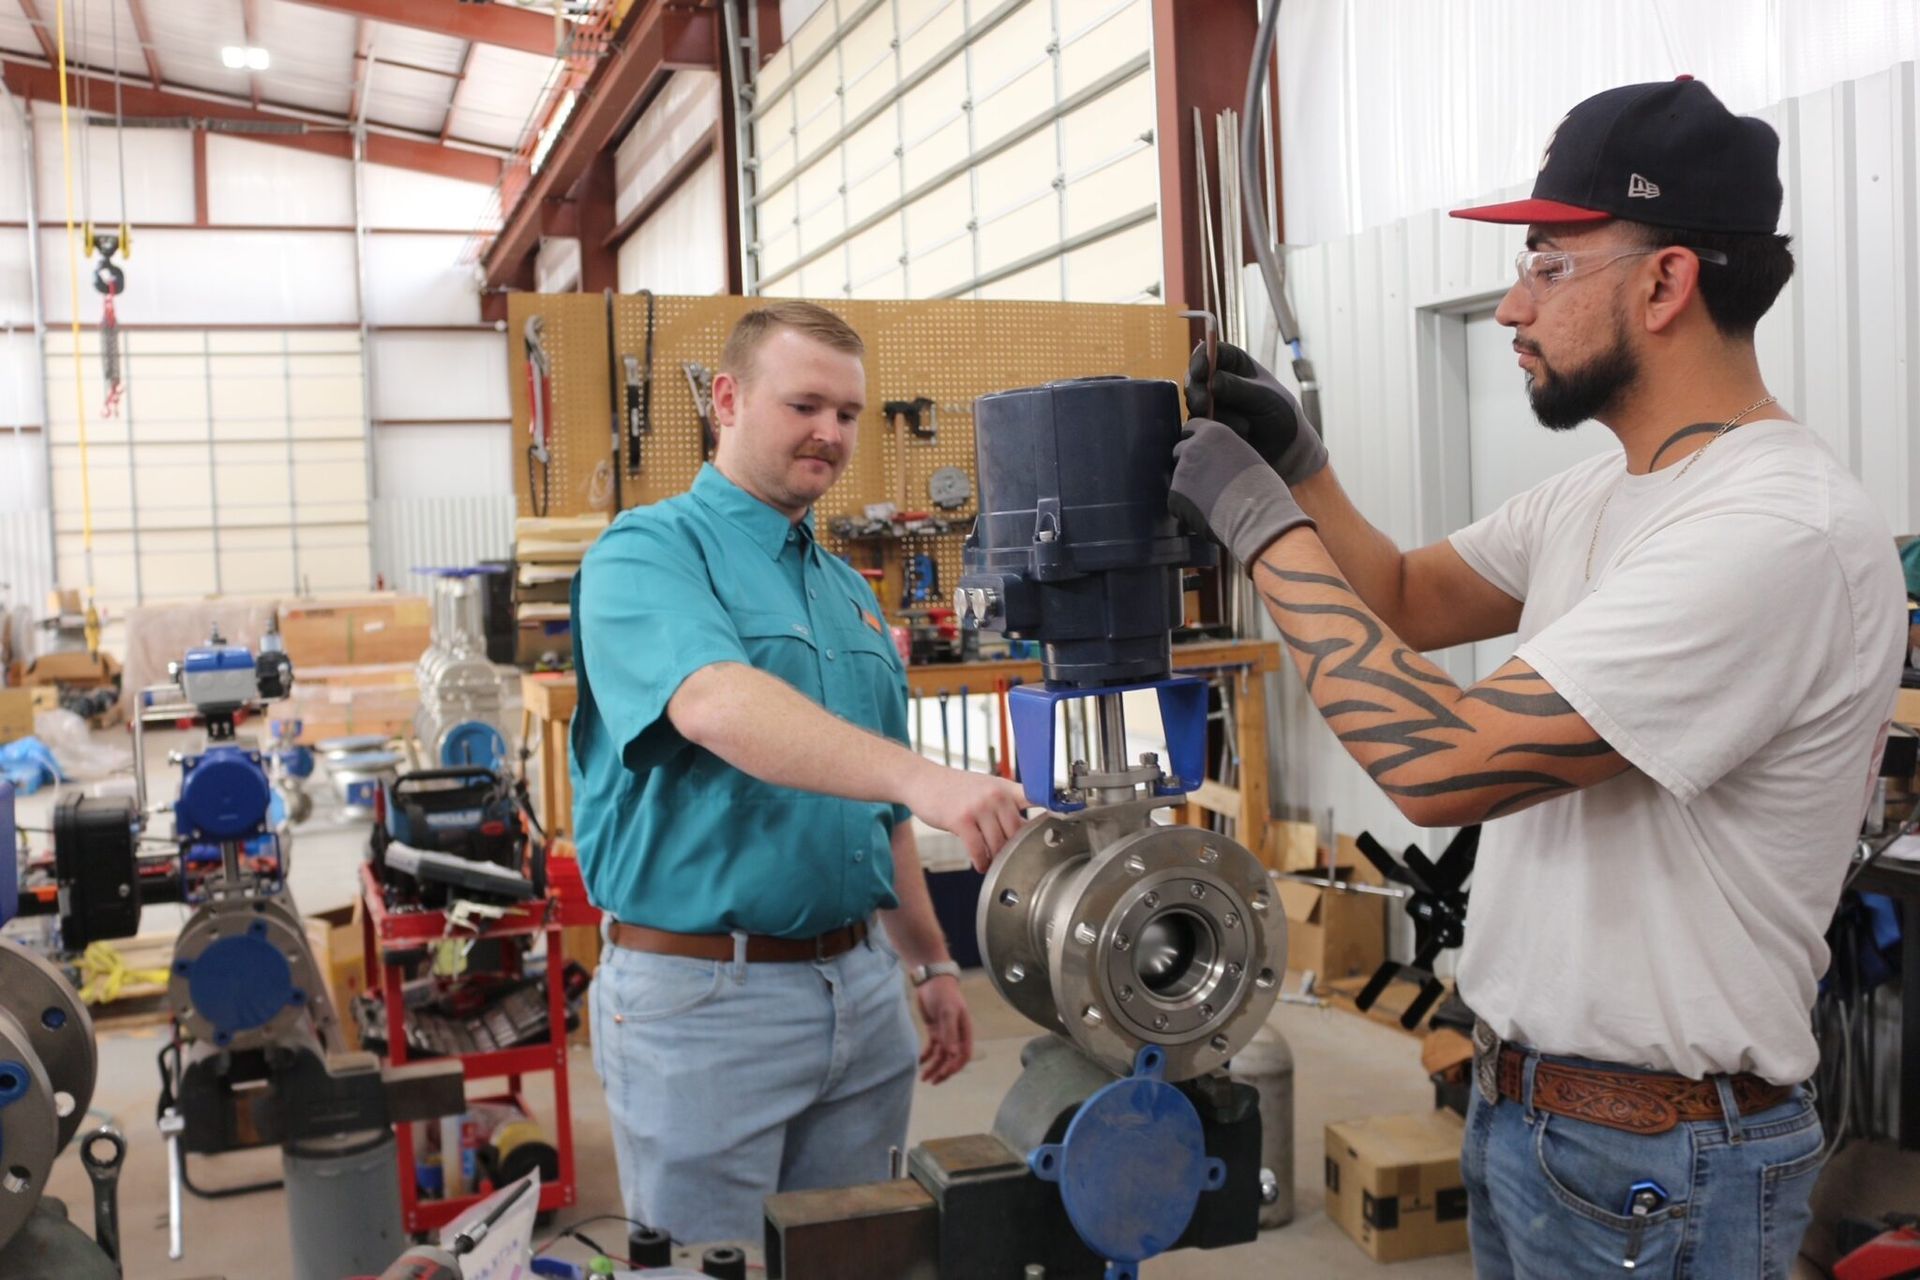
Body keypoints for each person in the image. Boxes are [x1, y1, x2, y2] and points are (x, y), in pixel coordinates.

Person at [1169, 78, 1904, 1279]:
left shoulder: (1775, 528)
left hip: (1663, 1164)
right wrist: (1299, 468)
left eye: (1549, 266)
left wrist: (1259, 530)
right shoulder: (1604, 490)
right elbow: (1402, 595)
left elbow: (1439, 764)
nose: (1513, 306)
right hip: (1539, 1124)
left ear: (1667, 281)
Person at [569, 300, 1029, 1245]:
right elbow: (712, 703)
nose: (831, 433)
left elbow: (880, 813)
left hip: (861, 989)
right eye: (806, 404)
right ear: (727, 400)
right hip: (703, 1002)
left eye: (850, 414)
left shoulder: (849, 592)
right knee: (709, 1266)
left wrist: (931, 960)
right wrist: (929, 778)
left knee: (853, 1258)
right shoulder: (647, 552)